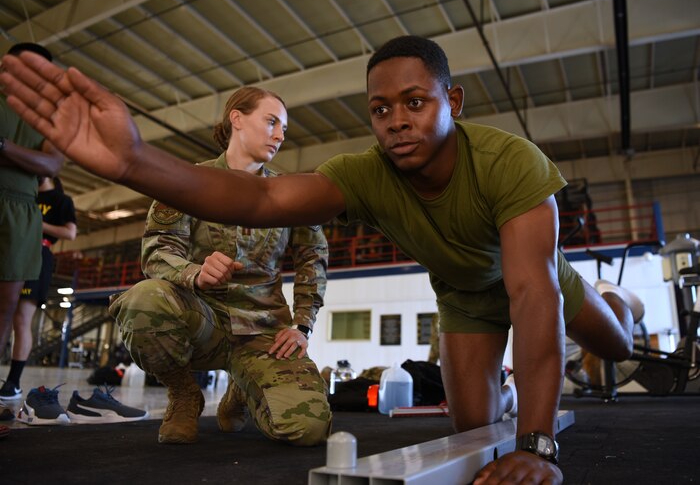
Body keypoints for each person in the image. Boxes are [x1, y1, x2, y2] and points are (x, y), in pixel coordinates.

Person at [0, 36, 641, 483]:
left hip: (539, 280)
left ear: (455, 101)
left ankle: (615, 308)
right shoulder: (365, 174)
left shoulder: (510, 162)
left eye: (416, 102)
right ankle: (501, 389)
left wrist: (539, 446)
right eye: (381, 108)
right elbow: (264, 196)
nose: (396, 120)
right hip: (466, 298)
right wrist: (136, 162)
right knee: (472, 433)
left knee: (612, 346)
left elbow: (532, 297)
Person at [107, 86, 330, 446]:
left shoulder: (291, 193)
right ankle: (184, 394)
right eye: (271, 121)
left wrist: (302, 325)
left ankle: (241, 389)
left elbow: (312, 258)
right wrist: (192, 271)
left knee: (308, 428)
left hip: (262, 332)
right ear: (237, 119)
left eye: (284, 129)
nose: (279, 135)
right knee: (144, 300)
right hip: (201, 320)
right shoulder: (187, 182)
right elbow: (157, 250)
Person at [0, 42, 64, 428]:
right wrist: (26, 154)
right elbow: (39, 161)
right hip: (19, 198)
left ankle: (7, 387)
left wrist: (3, 146)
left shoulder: (48, 117)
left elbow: (52, 163)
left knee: (6, 310)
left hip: (21, 211)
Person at [0, 176, 76, 401]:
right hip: (11, 250)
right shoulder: (24, 193)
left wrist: (36, 223)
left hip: (38, 253)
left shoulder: (61, 200)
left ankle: (13, 382)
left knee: (21, 320)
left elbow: (70, 233)